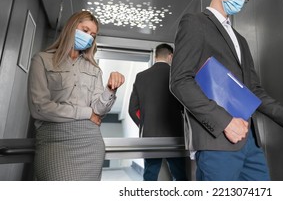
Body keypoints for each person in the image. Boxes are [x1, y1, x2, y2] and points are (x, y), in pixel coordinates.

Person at [170, 0, 283, 181]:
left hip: (250, 141)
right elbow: (180, 81)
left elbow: (254, 91)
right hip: (218, 140)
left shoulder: (240, 40)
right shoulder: (195, 23)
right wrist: (225, 122)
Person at [27, 11, 125, 181]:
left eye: (93, 35)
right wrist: (87, 114)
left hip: (90, 142)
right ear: (71, 27)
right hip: (53, 141)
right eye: (85, 30)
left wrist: (110, 89)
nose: (88, 37)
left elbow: (99, 111)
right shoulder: (42, 60)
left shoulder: (94, 70)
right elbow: (39, 108)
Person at [128, 43, 187, 181]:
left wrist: (144, 124)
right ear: (170, 56)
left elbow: (132, 109)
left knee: (150, 174)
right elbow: (184, 106)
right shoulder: (176, 76)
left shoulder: (141, 76)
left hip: (150, 136)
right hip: (174, 136)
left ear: (155, 57)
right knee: (179, 175)